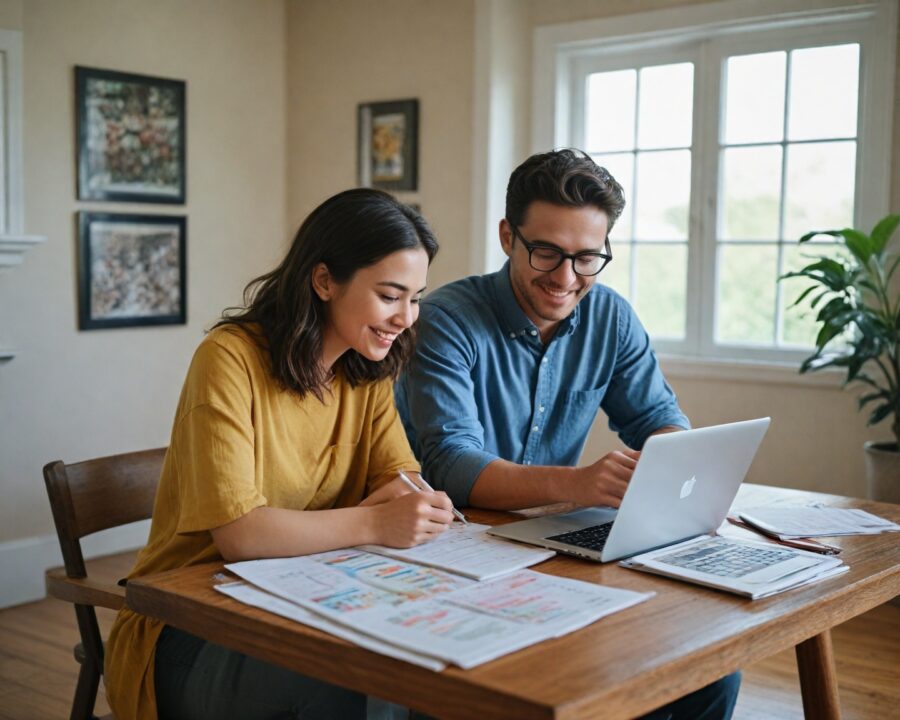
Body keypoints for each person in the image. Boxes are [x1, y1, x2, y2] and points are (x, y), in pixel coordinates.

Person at [395, 149, 740, 719]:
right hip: (453, 551)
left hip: (555, 545)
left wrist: (674, 463)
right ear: (508, 236)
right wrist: (580, 484)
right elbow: (452, 466)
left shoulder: (612, 317)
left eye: (586, 258)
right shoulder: (447, 319)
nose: (565, 278)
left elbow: (658, 417)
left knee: (711, 673)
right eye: (547, 252)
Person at [105, 188, 454, 720]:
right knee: (360, 681)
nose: (406, 317)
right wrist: (377, 523)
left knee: (435, 668)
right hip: (190, 625)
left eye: (416, 297)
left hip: (309, 599)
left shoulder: (367, 369)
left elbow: (399, 481)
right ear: (323, 281)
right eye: (390, 295)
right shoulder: (228, 359)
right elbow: (242, 535)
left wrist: (396, 509)